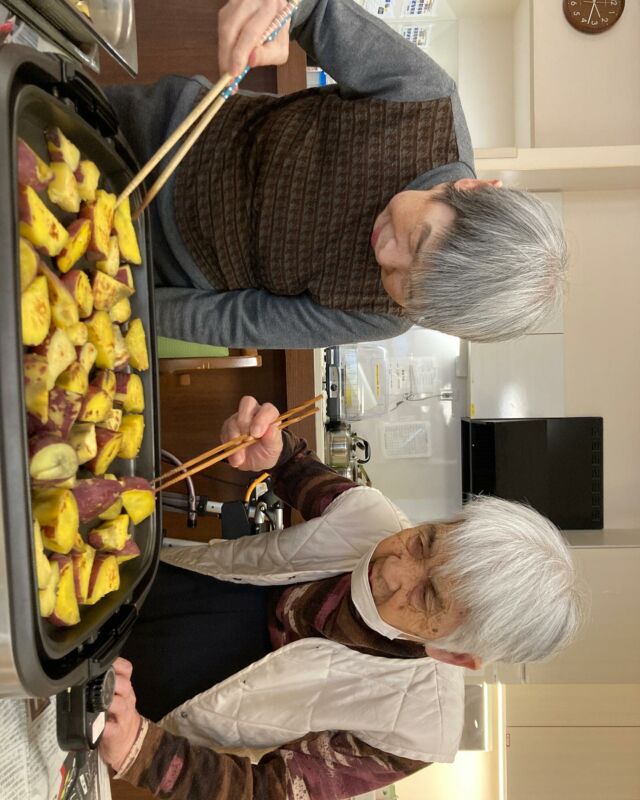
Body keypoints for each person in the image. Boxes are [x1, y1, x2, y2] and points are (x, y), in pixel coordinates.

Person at [100, 396, 585, 800]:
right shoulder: (372, 515)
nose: (392, 567)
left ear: (455, 652)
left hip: (147, 698)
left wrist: (141, 751)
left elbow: (268, 791)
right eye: (424, 541)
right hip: (140, 584)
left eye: (426, 595)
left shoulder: (416, 729)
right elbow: (293, 467)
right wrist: (268, 444)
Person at [105, 0, 567, 349]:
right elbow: (316, 10)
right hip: (156, 131)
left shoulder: (384, 316)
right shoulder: (422, 101)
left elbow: (243, 319)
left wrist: (125, 299)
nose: (386, 255)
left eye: (405, 287)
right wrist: (279, 10)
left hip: (156, 262)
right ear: (471, 187)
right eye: (419, 240)